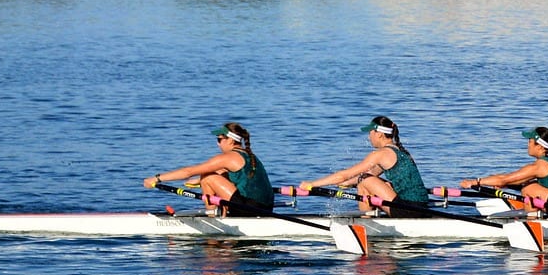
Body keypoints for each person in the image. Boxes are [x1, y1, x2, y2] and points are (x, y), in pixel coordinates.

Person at [144, 122, 274, 216]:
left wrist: (157, 178)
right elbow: (228, 174)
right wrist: (198, 180)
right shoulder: (249, 156)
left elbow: (188, 172)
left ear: (230, 141)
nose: (217, 143)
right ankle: (220, 210)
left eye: (219, 139)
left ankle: (213, 215)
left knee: (208, 177)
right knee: (206, 177)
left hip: (250, 209)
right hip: (266, 207)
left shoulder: (228, 157)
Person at [301, 115, 429, 211]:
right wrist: (345, 184)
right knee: (366, 180)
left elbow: (344, 175)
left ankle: (366, 222)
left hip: (408, 209)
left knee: (363, 180)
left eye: (370, 132)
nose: (369, 137)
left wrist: (312, 184)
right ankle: (370, 217)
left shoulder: (381, 154)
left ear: (379, 134)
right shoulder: (401, 151)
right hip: (422, 206)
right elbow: (370, 173)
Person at [463, 126, 548, 215]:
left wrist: (475, 182)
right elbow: (510, 179)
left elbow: (502, 180)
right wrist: (506, 184)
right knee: (529, 185)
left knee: (528, 189)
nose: (527, 145)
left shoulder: (540, 166)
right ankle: (535, 214)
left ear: (539, 147)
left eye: (530, 142)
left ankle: (532, 221)